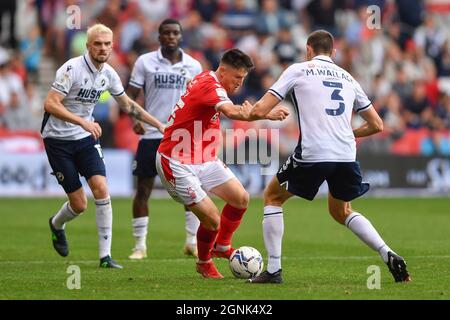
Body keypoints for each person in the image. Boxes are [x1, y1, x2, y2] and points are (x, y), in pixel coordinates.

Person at [247, 30, 411, 284]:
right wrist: (346, 133)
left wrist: (255, 112)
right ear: (333, 53)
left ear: (309, 49)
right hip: (346, 153)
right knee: (341, 210)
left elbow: (260, 109)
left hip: (314, 151)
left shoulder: (298, 69)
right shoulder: (348, 77)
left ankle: (274, 270)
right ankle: (387, 252)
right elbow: (377, 125)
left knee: (272, 196)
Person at [156, 48, 289, 278]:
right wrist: (266, 115)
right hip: (176, 161)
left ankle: (222, 246)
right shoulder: (211, 87)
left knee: (240, 199)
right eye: (237, 77)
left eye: (243, 79)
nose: (239, 83)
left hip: (203, 157)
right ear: (223, 70)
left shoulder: (208, 78)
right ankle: (204, 262)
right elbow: (232, 112)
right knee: (211, 219)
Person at [43, 24, 165, 269]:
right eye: (97, 43)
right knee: (79, 204)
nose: (102, 48)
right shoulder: (71, 68)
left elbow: (128, 105)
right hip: (57, 139)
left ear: (112, 46)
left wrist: (159, 125)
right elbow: (50, 104)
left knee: (101, 188)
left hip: (86, 139)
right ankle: (56, 224)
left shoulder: (108, 73)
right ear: (88, 46)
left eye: (107, 44)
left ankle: (105, 257)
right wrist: (82, 122)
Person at [127, 19, 203, 260]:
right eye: (166, 33)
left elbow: (201, 99)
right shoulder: (145, 62)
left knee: (190, 190)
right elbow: (129, 96)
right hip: (151, 135)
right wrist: (135, 120)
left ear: (181, 36)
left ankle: (192, 242)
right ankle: (140, 246)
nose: (171, 36)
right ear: (159, 37)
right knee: (143, 190)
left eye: (175, 33)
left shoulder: (193, 65)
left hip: (182, 137)